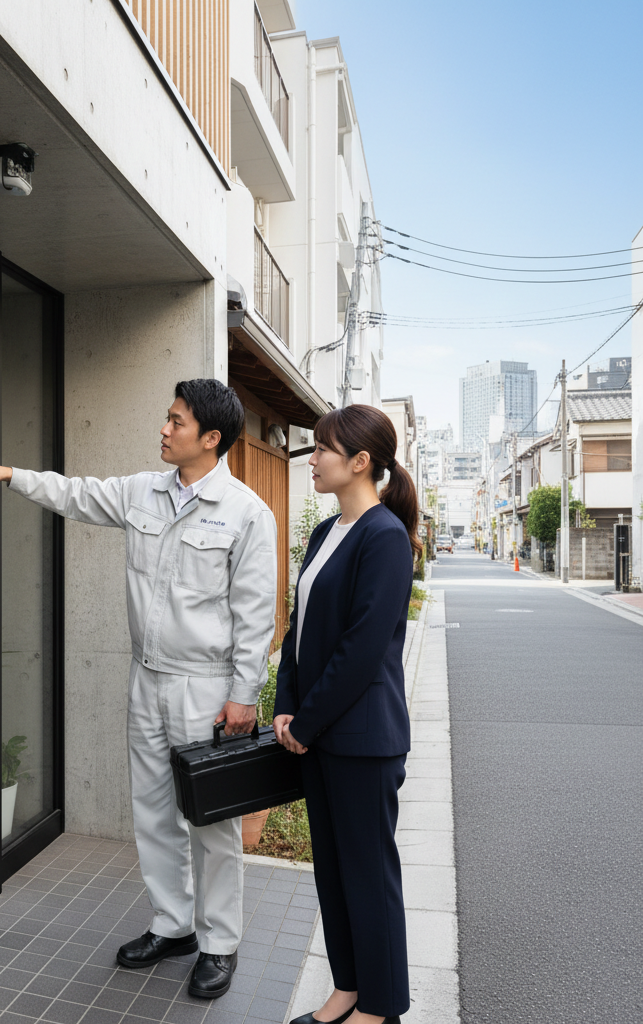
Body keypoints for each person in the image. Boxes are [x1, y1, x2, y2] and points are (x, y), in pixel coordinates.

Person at [0, 379, 277, 999]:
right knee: (152, 810)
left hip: (206, 688)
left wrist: (244, 694)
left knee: (211, 824)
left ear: (211, 438)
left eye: (176, 421)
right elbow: (75, 494)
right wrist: (12, 475)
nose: (164, 429)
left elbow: (255, 614)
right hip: (146, 677)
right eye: (166, 417)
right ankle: (173, 925)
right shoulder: (142, 491)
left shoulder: (246, 513)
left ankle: (219, 943)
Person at [273, 405, 420, 1024]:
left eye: (322, 449)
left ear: (360, 462)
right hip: (319, 734)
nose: (311, 459)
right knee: (333, 873)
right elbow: (299, 629)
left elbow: (361, 650)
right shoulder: (325, 531)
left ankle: (380, 1007)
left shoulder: (384, 536)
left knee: (368, 875)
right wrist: (285, 707)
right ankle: (348, 989)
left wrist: (305, 723)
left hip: (361, 739)